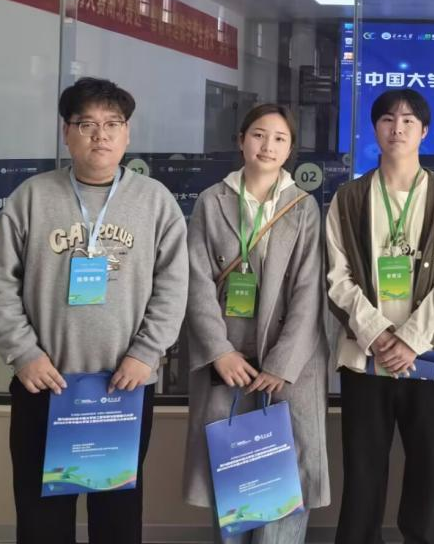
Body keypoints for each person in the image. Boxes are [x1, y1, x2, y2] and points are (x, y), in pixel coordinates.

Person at [0, 76, 188, 544]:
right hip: (45, 383)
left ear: (127, 133)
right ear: (66, 132)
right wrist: (24, 354)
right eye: (87, 124)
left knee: (117, 518)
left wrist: (146, 354)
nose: (101, 135)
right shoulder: (31, 197)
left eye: (113, 124)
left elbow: (175, 286)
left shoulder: (155, 201)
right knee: (41, 520)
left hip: (123, 386)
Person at [325, 88, 434, 543]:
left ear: (424, 131)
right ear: (375, 129)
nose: (398, 128)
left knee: (428, 468)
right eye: (388, 119)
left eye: (409, 121)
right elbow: (336, 277)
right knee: (363, 469)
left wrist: (409, 340)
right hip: (363, 357)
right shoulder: (349, 197)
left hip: (428, 357)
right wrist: (377, 334)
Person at [180, 104, 329, 543]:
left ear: (290, 149)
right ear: (241, 140)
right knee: (233, 477)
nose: (268, 146)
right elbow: (195, 281)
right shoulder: (212, 201)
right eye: (259, 135)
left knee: (285, 483)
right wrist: (219, 351)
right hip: (228, 364)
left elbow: (309, 293)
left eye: (280, 138)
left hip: (288, 368)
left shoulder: (302, 207)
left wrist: (282, 363)